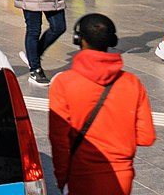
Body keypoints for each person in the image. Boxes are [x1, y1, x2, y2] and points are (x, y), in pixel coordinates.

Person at [49, 13, 156, 195]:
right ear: (111, 41)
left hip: (81, 178)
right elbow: (146, 136)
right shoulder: (132, 82)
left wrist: (61, 179)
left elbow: (59, 141)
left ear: (78, 40)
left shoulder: (64, 83)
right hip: (121, 179)